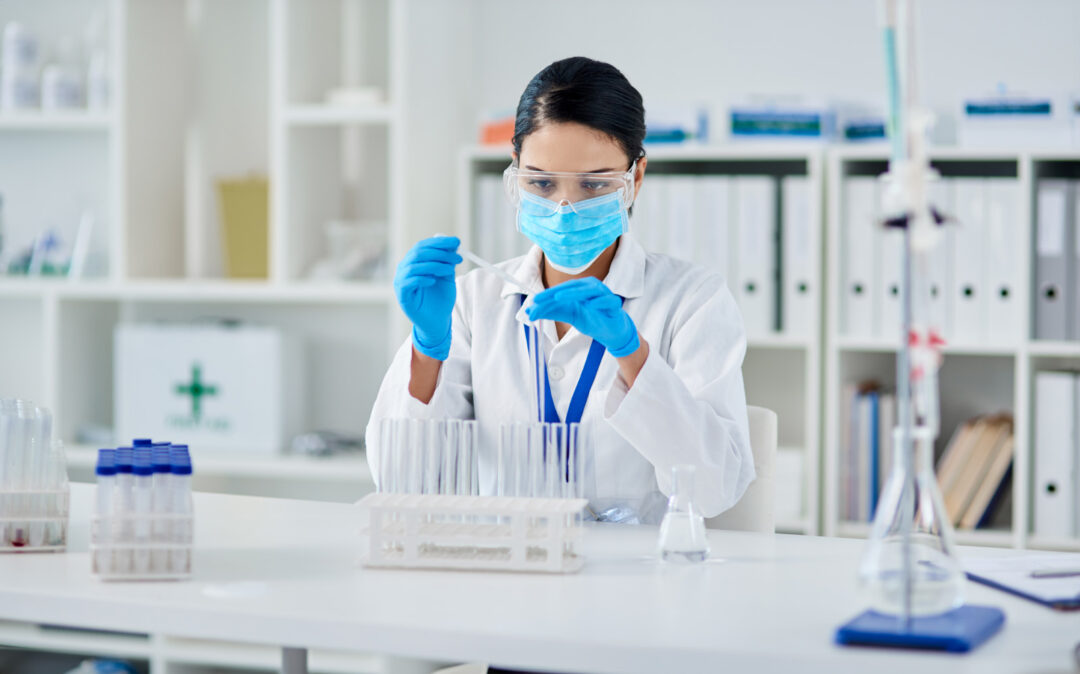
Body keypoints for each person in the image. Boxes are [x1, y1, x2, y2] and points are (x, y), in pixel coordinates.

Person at [366, 56, 753, 524]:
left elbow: (714, 488)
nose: (565, 208)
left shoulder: (693, 301)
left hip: (638, 583)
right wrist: (428, 348)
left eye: (593, 184)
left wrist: (632, 354)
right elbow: (402, 481)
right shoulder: (472, 302)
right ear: (516, 172)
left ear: (636, 177)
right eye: (542, 182)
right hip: (508, 574)